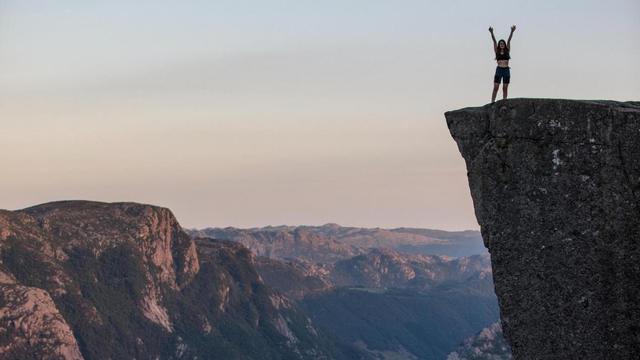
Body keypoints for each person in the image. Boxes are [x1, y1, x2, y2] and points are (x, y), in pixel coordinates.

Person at [489, 25, 516, 103]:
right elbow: (494, 41)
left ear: (504, 45)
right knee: (496, 86)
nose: (501, 44)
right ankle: (492, 101)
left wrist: (512, 31)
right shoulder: (497, 51)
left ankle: (504, 101)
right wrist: (491, 33)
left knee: (505, 87)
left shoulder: (507, 51)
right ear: (499, 45)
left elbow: (509, 41)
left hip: (506, 70)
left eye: (502, 43)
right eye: (500, 43)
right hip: (499, 69)